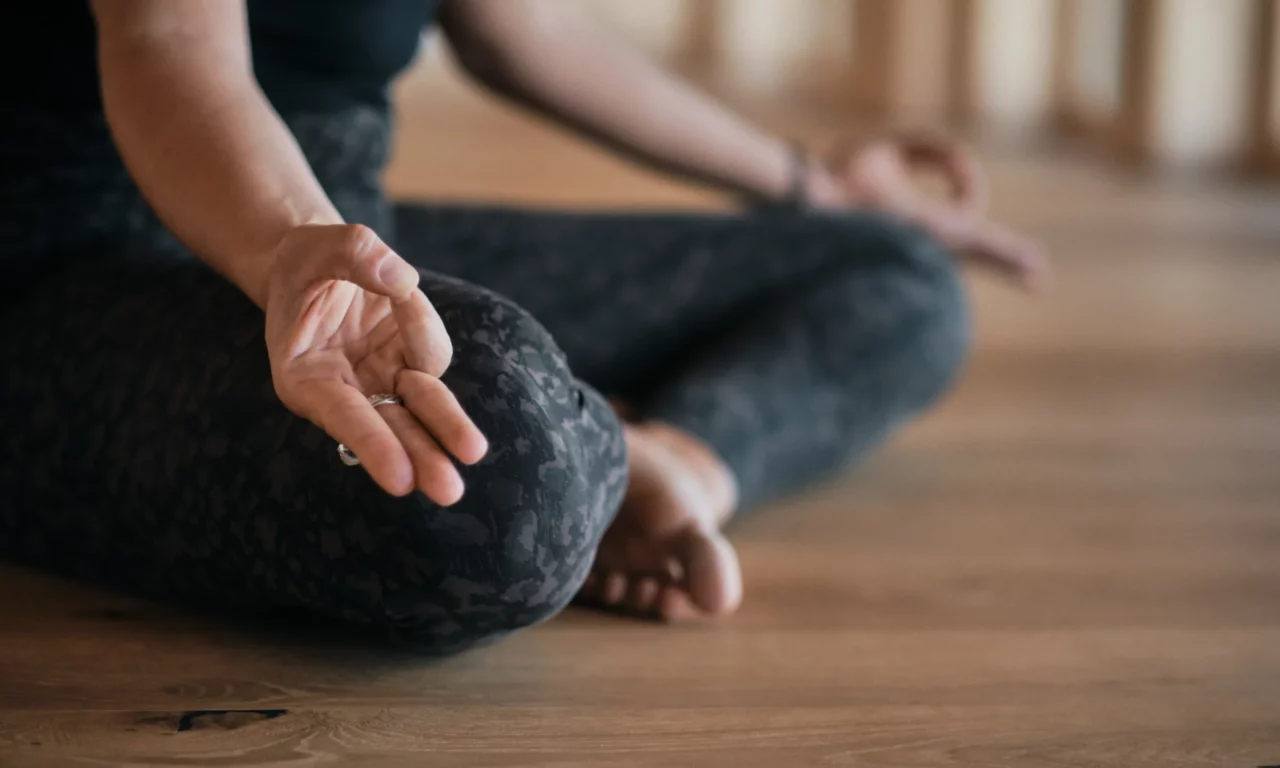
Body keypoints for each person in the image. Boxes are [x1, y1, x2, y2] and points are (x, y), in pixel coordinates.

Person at [0, 0, 1047, 655]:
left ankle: (669, 468)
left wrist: (813, 186)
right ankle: (585, 457)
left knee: (891, 267)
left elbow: (523, 29)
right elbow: (168, 41)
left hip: (351, 252)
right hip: (76, 269)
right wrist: (289, 248)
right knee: (496, 498)